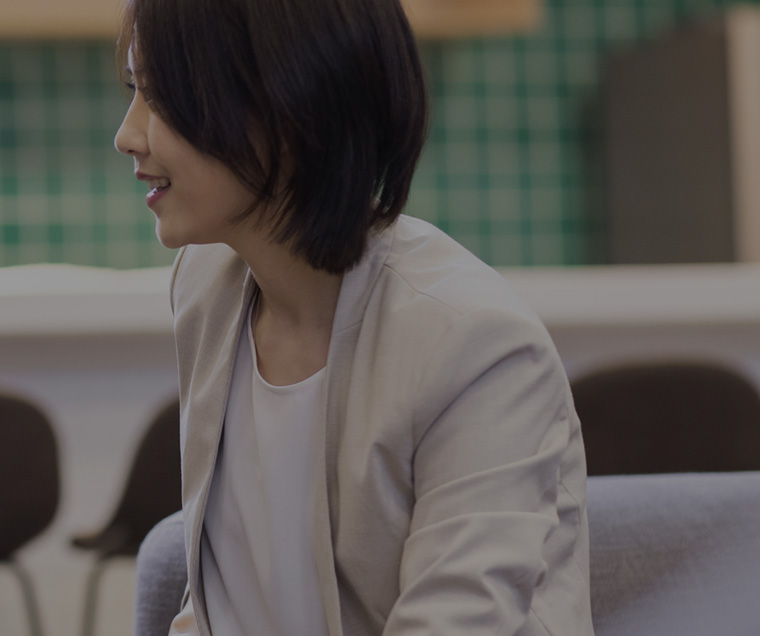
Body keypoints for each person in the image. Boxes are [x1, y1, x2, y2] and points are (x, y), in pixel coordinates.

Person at [111, 0, 592, 634]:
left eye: (160, 96)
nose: (127, 135)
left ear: (287, 102)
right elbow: (224, 602)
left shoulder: (474, 344)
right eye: (133, 90)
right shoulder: (207, 283)